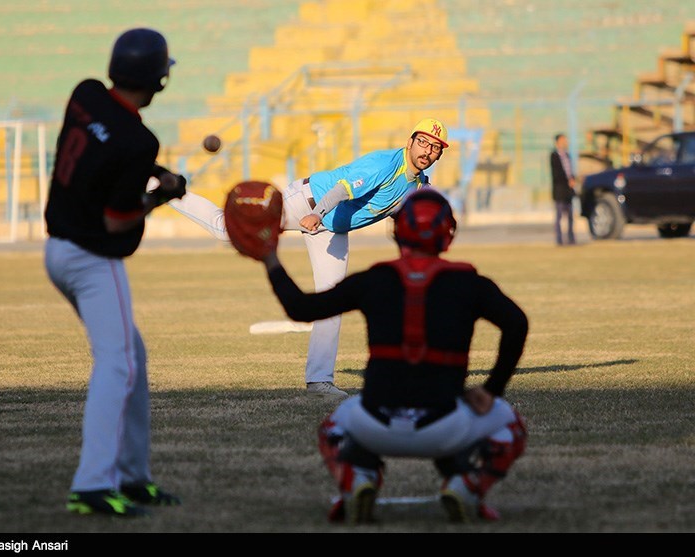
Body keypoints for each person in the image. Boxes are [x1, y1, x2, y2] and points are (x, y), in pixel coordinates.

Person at [245, 186, 528, 524]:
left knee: (331, 428)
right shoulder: (470, 282)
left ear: (397, 231)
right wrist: (492, 389)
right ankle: (466, 484)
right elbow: (517, 324)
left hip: (373, 422)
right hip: (447, 423)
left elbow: (301, 308)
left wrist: (270, 258)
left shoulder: (375, 279)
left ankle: (358, 479)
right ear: (448, 233)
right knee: (512, 425)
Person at [171, 118, 450, 398]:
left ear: (439, 154)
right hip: (308, 202)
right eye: (423, 142)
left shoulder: (418, 186)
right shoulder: (385, 164)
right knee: (224, 230)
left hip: (331, 229)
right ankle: (167, 190)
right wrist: (317, 214)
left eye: (435, 147)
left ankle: (319, 382)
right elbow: (342, 188)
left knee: (333, 301)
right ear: (410, 141)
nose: (427, 150)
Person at [43, 27, 186, 517]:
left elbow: (109, 145)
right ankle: (93, 484)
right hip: (91, 258)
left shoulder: (85, 94)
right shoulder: (139, 140)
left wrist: (151, 167)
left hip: (56, 250)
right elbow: (117, 219)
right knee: (118, 364)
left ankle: (132, 475)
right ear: (157, 80)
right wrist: (160, 196)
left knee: (132, 358)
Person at [550, 133, 577, 246]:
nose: (565, 142)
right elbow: (557, 174)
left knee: (570, 216)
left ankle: (571, 238)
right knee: (559, 216)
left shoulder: (567, 155)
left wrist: (573, 179)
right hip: (560, 191)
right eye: (563, 140)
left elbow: (570, 171)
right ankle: (559, 240)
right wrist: (568, 181)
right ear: (557, 142)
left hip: (569, 191)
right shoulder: (554, 156)